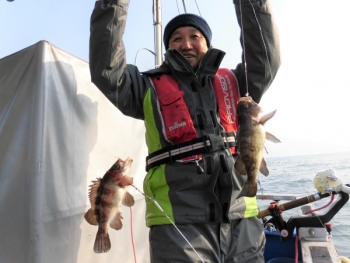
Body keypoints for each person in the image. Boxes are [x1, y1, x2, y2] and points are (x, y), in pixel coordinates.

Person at [89, 0, 280, 262]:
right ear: (168, 47)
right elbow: (107, 71)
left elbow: (266, 58)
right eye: (177, 38)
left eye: (195, 36)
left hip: (242, 220)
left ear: (208, 44)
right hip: (177, 226)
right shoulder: (146, 88)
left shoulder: (237, 84)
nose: (186, 44)